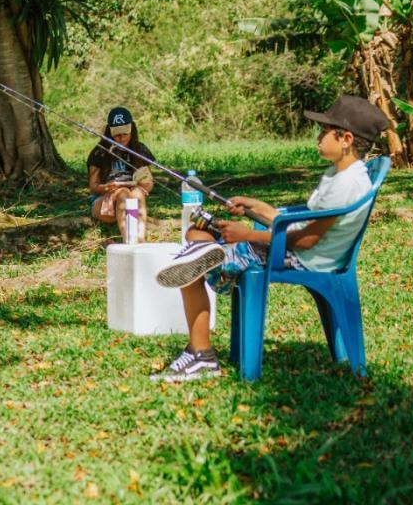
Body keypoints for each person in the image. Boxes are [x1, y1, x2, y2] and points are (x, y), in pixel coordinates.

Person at [149, 95, 390, 382]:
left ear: (346, 138)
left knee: (193, 270)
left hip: (300, 258)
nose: (319, 136)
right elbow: (293, 222)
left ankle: (201, 355)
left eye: (325, 131)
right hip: (292, 248)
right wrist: (254, 206)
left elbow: (305, 241)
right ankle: (205, 252)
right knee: (197, 233)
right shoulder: (341, 175)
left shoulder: (347, 183)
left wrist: (247, 234)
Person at [87, 106, 156, 231]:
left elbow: (149, 183)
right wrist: (107, 188)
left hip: (132, 200)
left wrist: (143, 185)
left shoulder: (140, 150)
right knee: (123, 192)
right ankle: (127, 240)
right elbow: (93, 186)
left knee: (137, 192)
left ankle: (139, 239)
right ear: (109, 132)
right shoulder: (99, 152)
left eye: (125, 133)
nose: (121, 137)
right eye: (117, 134)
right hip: (105, 202)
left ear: (132, 130)